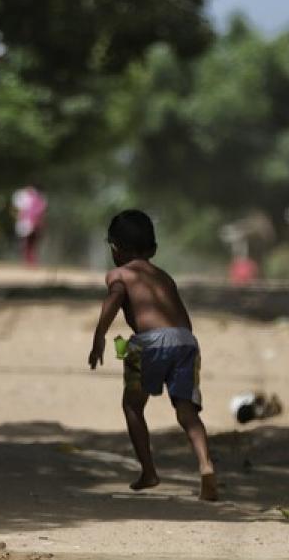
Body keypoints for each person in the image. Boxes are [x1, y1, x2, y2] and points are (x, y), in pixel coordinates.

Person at [88, 209, 218, 501]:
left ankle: (149, 471)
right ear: (154, 250)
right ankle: (206, 465)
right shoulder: (164, 276)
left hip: (146, 344)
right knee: (187, 410)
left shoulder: (119, 274)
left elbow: (114, 299)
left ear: (114, 249)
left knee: (133, 406)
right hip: (186, 342)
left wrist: (99, 336)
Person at [11, 183, 47, 265]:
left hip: (31, 224)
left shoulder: (35, 199)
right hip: (31, 224)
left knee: (29, 244)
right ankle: (30, 262)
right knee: (30, 244)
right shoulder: (38, 199)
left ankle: (30, 261)